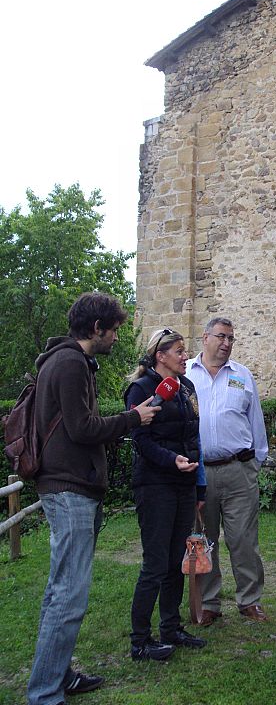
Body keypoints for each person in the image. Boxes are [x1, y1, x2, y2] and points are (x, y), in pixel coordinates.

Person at [27, 292, 159, 705]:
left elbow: (74, 425)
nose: (118, 336)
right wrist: (132, 419)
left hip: (68, 485)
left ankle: (57, 676)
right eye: (115, 329)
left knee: (60, 589)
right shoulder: (69, 363)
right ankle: (45, 692)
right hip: (69, 489)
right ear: (96, 328)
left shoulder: (65, 360)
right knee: (69, 593)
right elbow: (82, 428)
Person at [125, 328, 208, 660]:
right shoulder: (141, 389)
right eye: (179, 351)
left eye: (185, 351)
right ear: (160, 355)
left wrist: (198, 484)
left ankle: (170, 629)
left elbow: (194, 439)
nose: (185, 356)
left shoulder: (186, 387)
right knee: (156, 563)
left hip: (184, 485)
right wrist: (171, 460)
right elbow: (140, 441)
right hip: (155, 485)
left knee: (177, 561)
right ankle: (140, 640)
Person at [185, 317, 269, 625]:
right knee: (204, 539)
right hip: (201, 472)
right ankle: (209, 603)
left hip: (238, 470)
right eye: (221, 336)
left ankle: (250, 600)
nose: (227, 343)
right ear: (205, 337)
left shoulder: (242, 375)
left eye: (231, 338)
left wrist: (255, 463)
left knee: (244, 539)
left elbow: (255, 421)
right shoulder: (186, 375)